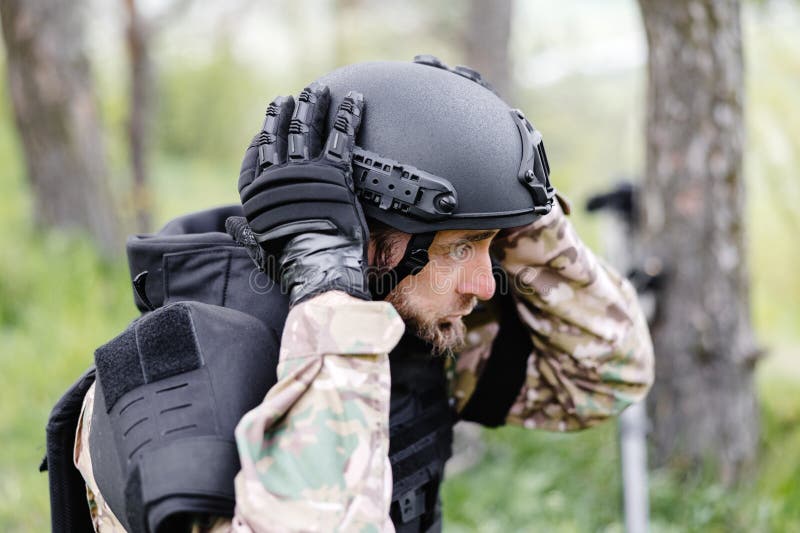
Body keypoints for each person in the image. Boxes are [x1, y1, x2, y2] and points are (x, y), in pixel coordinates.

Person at [46, 57, 654, 532]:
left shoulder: (402, 324)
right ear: (364, 241)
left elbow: (608, 374)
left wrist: (513, 195)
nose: (486, 283)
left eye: (493, 246)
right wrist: (331, 303)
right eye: (461, 248)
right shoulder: (170, 376)